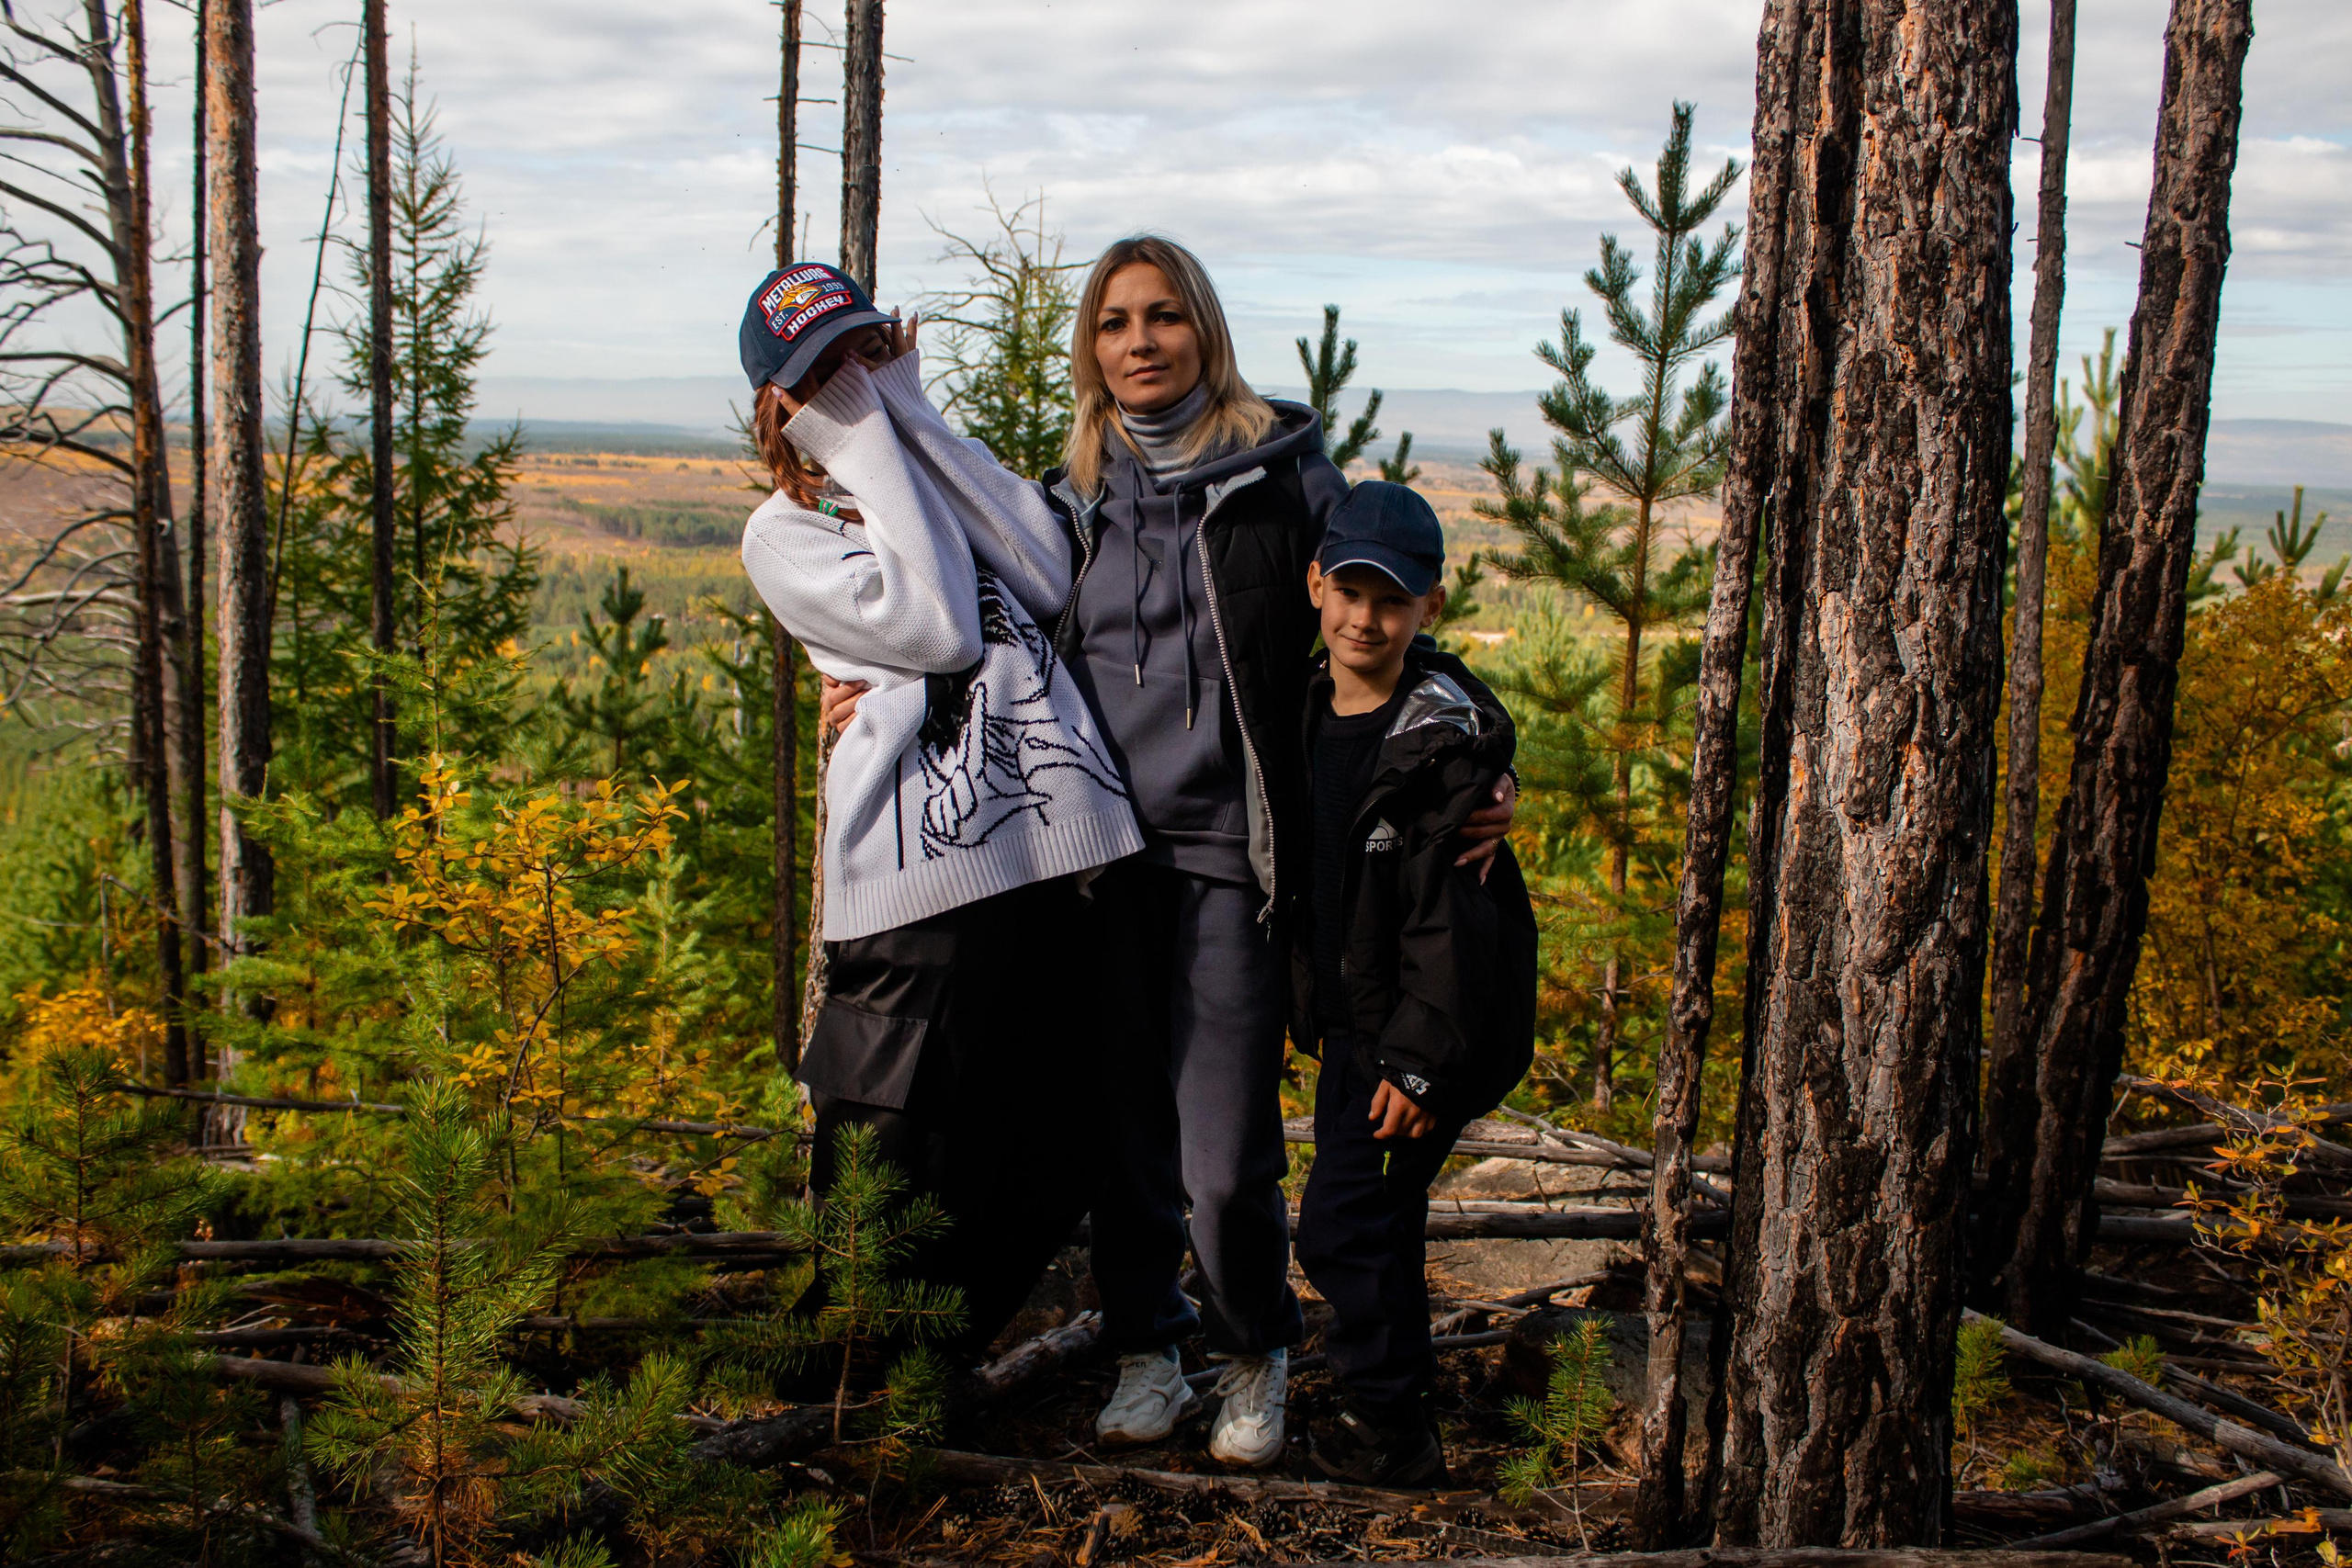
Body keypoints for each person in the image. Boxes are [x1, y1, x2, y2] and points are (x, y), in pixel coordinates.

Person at [818, 235, 1517, 1465]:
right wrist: (873, 696)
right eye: (1113, 323)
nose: (1138, 343)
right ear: (1092, 348)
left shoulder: (1283, 472)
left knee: (1223, 1145)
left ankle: (1255, 1349)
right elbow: (958, 625)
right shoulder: (1070, 496)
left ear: (1204, 329)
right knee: (1119, 1131)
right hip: (1089, 858)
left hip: (1229, 861)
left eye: (1162, 318)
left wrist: (1477, 743)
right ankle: (1150, 1343)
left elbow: (1381, 614)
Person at [734, 260, 1143, 1356]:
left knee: (1053, 1135)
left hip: (1042, 859)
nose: (855, 380)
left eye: (868, 351)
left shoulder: (922, 474)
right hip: (914, 890)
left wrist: (912, 421)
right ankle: (843, 1395)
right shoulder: (785, 531)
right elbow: (939, 631)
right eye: (825, 371)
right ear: (786, 404)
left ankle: (937, 1371)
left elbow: (1049, 570)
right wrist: (867, 441)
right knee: (892, 1157)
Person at [1288, 482, 1537, 1487]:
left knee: (1343, 1225)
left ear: (1427, 607)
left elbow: (1453, 926)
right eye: (1347, 590)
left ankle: (1386, 1429)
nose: (1364, 617)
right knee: (1375, 1224)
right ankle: (1390, 1411)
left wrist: (1420, 1067)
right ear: (1314, 586)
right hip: (1359, 1027)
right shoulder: (1305, 708)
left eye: (1390, 600)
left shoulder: (1441, 753)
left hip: (1416, 1038)